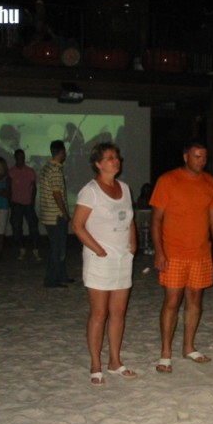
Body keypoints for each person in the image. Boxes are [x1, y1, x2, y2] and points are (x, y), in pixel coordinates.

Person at [149, 140, 213, 374]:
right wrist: (159, 251)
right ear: (185, 157)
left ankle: (189, 346)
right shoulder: (168, 180)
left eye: (204, 157)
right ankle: (165, 352)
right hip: (174, 251)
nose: (201, 161)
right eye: (196, 156)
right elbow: (156, 219)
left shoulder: (210, 182)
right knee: (172, 301)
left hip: (201, 252)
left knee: (195, 300)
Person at [72, 143, 138, 386]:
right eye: (109, 158)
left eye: (116, 156)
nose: (115, 160)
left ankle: (115, 361)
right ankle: (95, 364)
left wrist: (133, 243)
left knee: (118, 313)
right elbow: (77, 225)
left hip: (122, 258)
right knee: (99, 313)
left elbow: (129, 219)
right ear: (98, 163)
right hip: (99, 259)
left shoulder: (125, 188)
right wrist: (98, 249)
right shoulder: (90, 191)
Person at [39, 140, 72, 288]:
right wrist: (64, 212)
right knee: (57, 248)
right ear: (61, 152)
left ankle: (61, 275)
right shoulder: (55, 170)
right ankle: (51, 279)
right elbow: (57, 193)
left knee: (58, 247)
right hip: (56, 215)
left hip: (48, 214)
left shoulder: (46, 167)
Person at [8, 148, 41, 261]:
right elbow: (9, 188)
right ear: (15, 158)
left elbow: (34, 187)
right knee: (17, 227)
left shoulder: (30, 171)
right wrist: (10, 202)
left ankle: (35, 249)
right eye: (19, 157)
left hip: (28, 204)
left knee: (34, 227)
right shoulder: (11, 172)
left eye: (22, 157)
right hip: (16, 203)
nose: (21, 159)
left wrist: (32, 201)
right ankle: (21, 248)